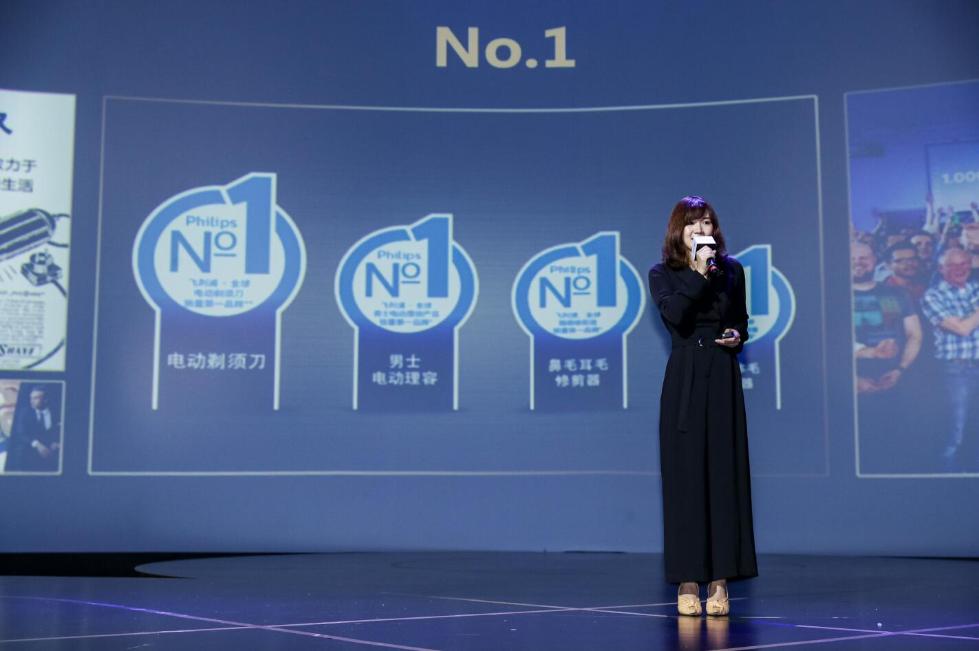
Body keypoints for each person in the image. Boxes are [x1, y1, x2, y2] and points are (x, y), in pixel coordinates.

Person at [648, 196, 757, 617]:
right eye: (692, 224)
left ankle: (720, 581)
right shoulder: (663, 273)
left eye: (707, 222)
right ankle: (688, 580)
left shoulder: (733, 271)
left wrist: (736, 335)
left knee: (724, 477)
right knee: (686, 480)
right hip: (686, 378)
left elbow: (740, 320)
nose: (701, 230)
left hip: (722, 374)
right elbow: (675, 316)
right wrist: (697, 272)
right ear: (679, 231)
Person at [921, 248, 979, 471]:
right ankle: (948, 478)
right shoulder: (932, 296)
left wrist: (969, 318)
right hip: (957, 370)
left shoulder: (976, 289)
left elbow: (966, 323)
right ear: (940, 268)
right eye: (952, 265)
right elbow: (962, 329)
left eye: (964, 263)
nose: (960, 269)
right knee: (956, 430)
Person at [6, 386, 60, 472]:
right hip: (28, 457)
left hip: (52, 457)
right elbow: (20, 433)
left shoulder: (56, 412)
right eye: (31, 398)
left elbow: (59, 431)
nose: (31, 401)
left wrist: (57, 442)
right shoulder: (24, 413)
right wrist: (37, 444)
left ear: (45, 400)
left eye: (35, 398)